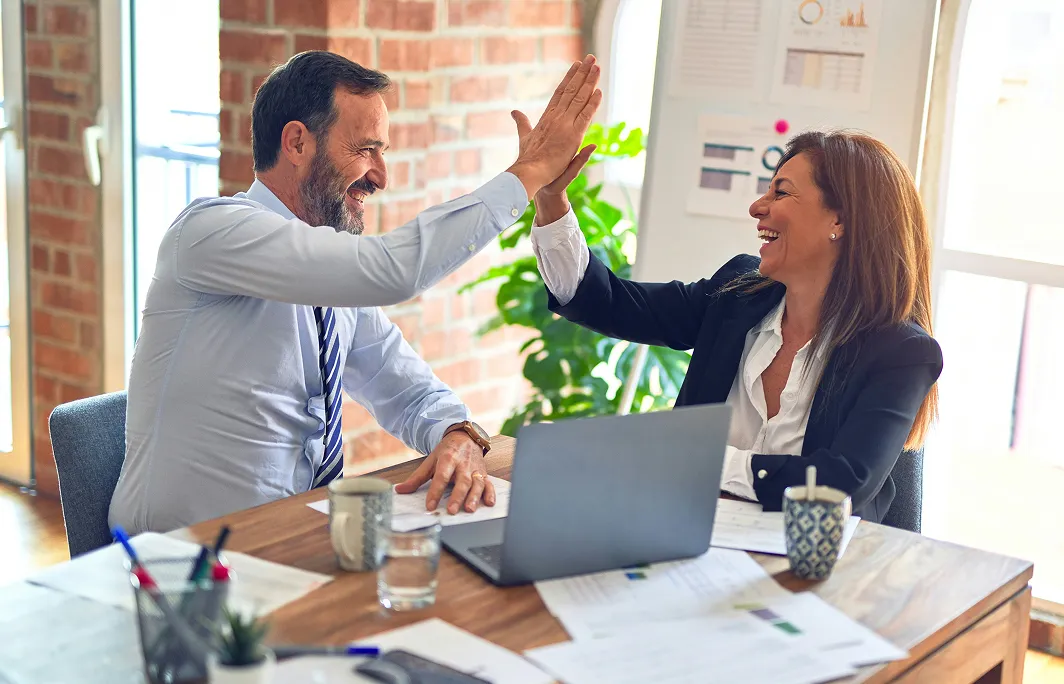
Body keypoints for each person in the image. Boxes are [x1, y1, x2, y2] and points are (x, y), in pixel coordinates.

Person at [108, 50, 603, 534]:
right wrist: (530, 172)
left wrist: (457, 433)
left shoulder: (330, 279)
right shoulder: (211, 232)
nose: (381, 177)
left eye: (382, 152)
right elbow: (393, 270)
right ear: (297, 143)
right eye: (366, 149)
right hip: (179, 563)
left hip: (292, 541)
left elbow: (405, 387)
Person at [527, 130, 943, 524]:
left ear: (840, 220)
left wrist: (700, 460)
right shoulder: (738, 294)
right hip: (686, 540)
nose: (757, 207)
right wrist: (551, 197)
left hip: (815, 573)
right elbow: (608, 302)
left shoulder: (901, 352)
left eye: (780, 191)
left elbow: (839, 485)